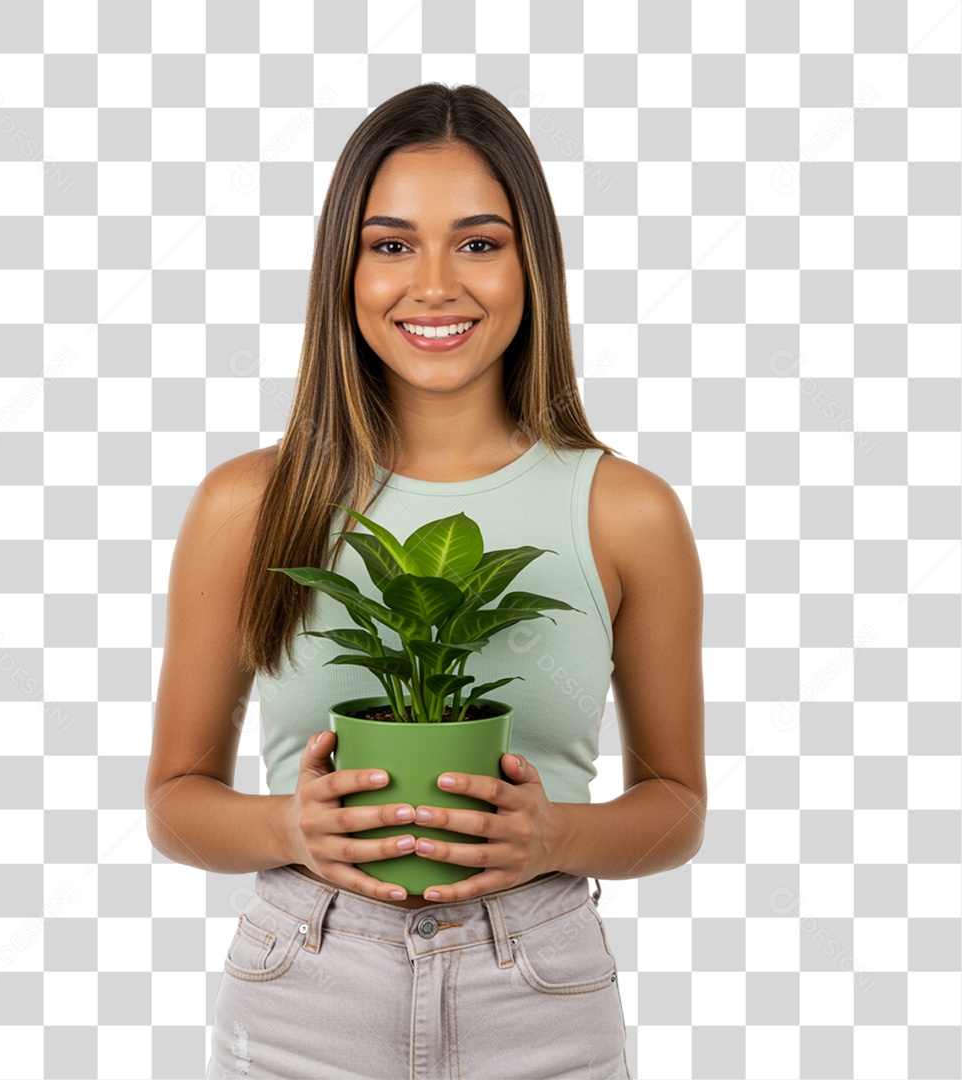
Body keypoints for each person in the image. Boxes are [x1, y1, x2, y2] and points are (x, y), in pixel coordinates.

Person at [146, 82, 705, 1080]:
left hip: (539, 987)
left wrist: (552, 836)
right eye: (392, 243)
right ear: (344, 269)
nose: (435, 283)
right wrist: (289, 824)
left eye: (480, 242)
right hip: (305, 987)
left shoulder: (627, 511)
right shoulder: (250, 502)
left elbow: (677, 806)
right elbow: (174, 800)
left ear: (531, 263)